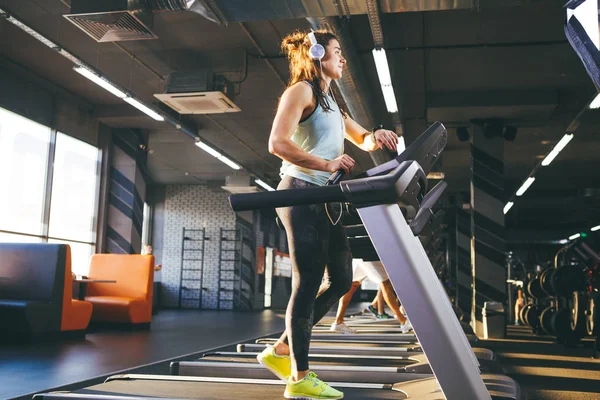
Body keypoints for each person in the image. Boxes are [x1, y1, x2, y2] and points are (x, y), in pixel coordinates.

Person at [256, 29, 399, 400]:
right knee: (307, 282)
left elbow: (361, 137)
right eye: (337, 52)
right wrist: (326, 163)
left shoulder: (331, 100)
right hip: (301, 194)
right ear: (317, 54)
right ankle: (299, 377)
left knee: (339, 281)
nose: (343, 58)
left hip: (324, 199)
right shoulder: (300, 92)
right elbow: (277, 143)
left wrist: (377, 135)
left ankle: (281, 350)